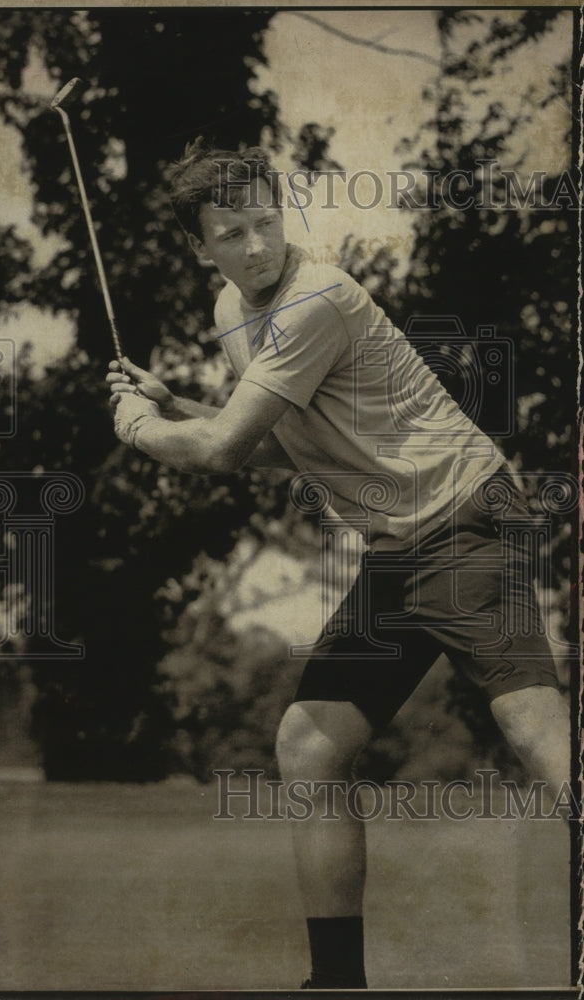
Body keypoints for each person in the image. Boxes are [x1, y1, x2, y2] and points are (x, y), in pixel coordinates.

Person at [106, 140, 570, 990]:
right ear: (197, 244)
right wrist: (183, 405)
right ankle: (335, 983)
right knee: (310, 748)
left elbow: (216, 455)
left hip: (467, 517)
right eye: (230, 232)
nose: (256, 245)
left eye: (264, 220)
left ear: (281, 210)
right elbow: (286, 448)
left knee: (535, 736)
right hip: (400, 549)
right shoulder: (228, 313)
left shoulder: (317, 295)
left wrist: (139, 428)